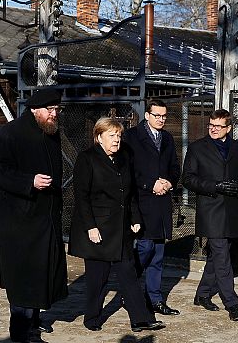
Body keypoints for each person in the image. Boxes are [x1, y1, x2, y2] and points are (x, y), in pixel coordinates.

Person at [69, 117, 165, 333]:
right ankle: (92, 318)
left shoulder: (123, 157)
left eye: (119, 136)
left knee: (129, 275)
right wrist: (90, 227)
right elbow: (81, 197)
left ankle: (141, 319)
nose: (116, 140)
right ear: (98, 137)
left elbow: (129, 193)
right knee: (97, 279)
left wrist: (136, 218)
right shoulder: (87, 159)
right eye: (111, 136)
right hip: (98, 230)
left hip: (121, 229)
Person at [0, 88, 68, 343]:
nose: (54, 114)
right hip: (19, 222)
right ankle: (21, 333)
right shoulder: (10, 133)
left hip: (45, 221)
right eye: (49, 110)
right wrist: (29, 181)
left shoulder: (51, 133)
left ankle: (33, 323)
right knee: (23, 279)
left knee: (41, 275)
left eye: (57, 110)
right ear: (34, 109)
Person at [182, 109, 238, 321]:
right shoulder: (197, 148)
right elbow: (187, 179)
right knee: (222, 257)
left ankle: (202, 294)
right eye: (211, 125)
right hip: (210, 210)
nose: (213, 129)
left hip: (230, 210)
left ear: (228, 128)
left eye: (218, 126)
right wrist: (215, 186)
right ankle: (233, 305)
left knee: (217, 256)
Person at [123, 99, 181, 316]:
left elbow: (175, 167)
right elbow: (127, 170)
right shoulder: (131, 137)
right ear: (147, 115)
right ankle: (129, 289)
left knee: (157, 253)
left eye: (164, 116)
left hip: (162, 202)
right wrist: (150, 183)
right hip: (142, 202)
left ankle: (155, 300)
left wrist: (169, 182)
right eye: (157, 115)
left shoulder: (167, 138)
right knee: (145, 248)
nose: (161, 119)